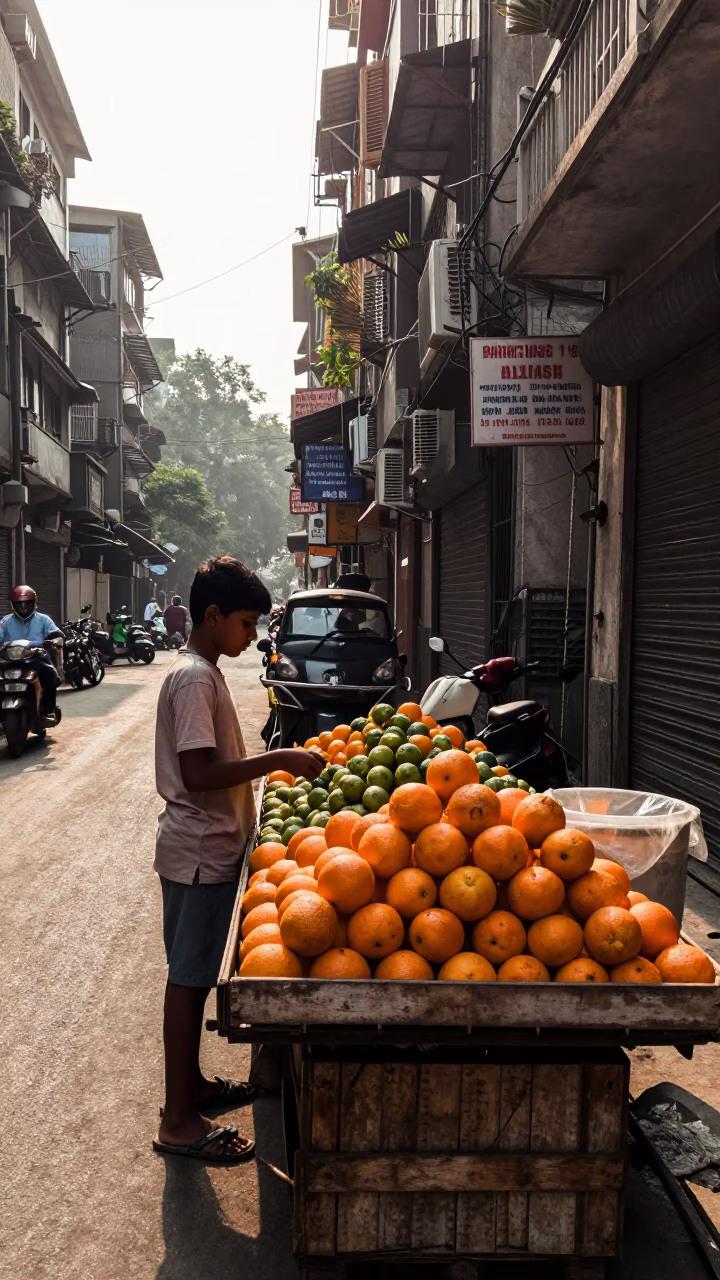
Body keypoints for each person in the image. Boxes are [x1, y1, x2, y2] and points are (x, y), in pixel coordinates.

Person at [152, 555, 324, 1166]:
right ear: (213, 615)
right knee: (189, 980)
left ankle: (193, 1087)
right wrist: (277, 762)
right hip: (199, 851)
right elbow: (198, 773)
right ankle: (178, 1119)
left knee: (193, 977)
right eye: (247, 623)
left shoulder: (206, 669)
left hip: (206, 847)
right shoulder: (196, 678)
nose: (252, 635)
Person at [0, 585, 61, 717]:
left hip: (36, 657)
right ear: (13, 604)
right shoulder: (5, 622)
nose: (23, 607)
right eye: (19, 603)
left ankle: (49, 709)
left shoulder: (44, 619)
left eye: (26, 603)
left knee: (50, 674)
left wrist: (55, 641)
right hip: (9, 659)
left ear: (33, 603)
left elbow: (56, 634)